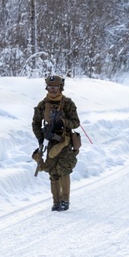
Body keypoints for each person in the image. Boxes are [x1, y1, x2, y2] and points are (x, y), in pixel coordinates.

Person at [32, 74, 81, 211]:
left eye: (56, 87)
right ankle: (56, 202)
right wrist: (41, 138)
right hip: (50, 142)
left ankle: (65, 200)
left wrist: (63, 122)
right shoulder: (42, 105)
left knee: (64, 171)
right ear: (47, 87)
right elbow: (35, 123)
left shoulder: (68, 104)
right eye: (50, 87)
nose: (53, 89)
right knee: (52, 172)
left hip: (64, 142)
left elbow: (76, 123)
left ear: (61, 87)